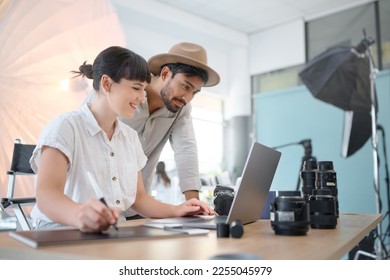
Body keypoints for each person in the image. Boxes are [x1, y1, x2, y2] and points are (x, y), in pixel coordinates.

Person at [29, 46, 215, 232]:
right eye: (136, 88)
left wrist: (179, 209)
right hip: (60, 229)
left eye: (143, 89)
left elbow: (139, 197)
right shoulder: (65, 127)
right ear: (107, 84)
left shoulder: (129, 137)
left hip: (110, 229)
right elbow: (47, 195)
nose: (142, 97)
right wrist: (80, 214)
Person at [119, 42, 220, 217]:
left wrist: (194, 205)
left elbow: (186, 149)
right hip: (96, 206)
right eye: (185, 86)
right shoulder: (123, 92)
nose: (187, 98)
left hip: (137, 207)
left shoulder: (181, 108)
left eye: (194, 92)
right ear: (165, 73)